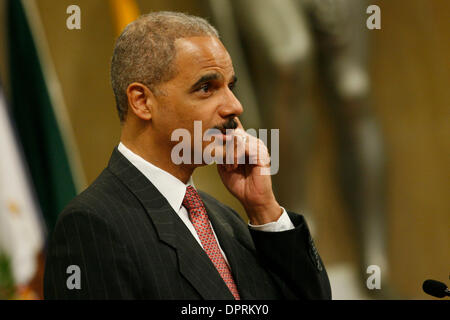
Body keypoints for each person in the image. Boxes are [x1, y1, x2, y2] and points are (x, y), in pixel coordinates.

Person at [43, 11, 331, 300]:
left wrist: (264, 210)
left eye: (230, 87)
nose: (235, 107)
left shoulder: (226, 220)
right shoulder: (93, 226)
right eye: (206, 88)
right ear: (142, 102)